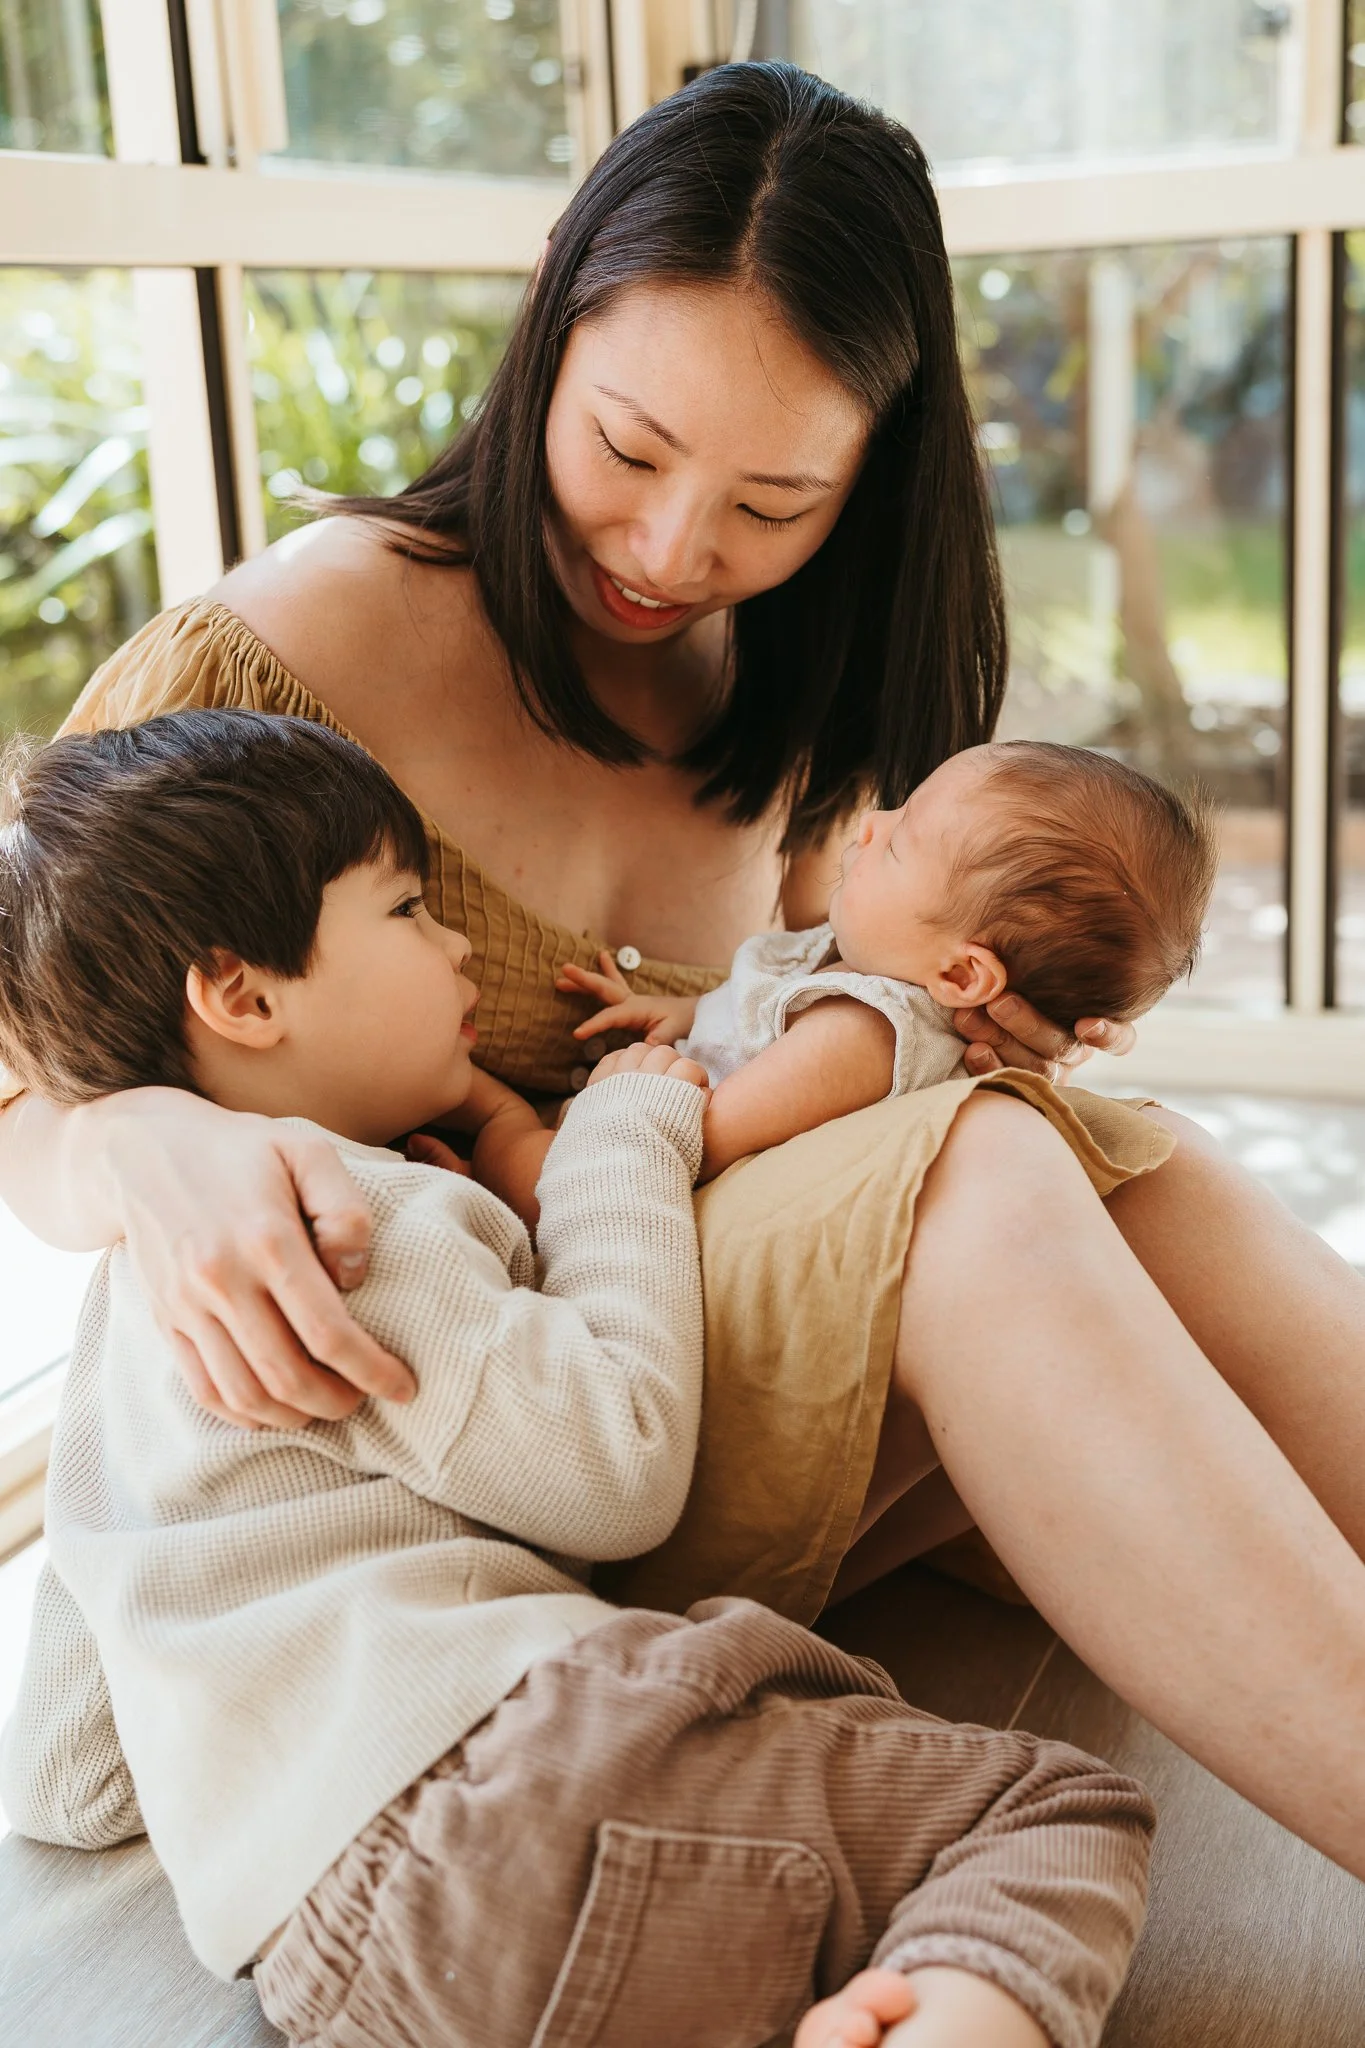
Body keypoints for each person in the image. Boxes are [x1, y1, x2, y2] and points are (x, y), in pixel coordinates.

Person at [2, 62, 1365, 1875]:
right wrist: (137, 1147)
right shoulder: (278, 651)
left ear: (872, 473)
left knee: (1122, 1158)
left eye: (772, 499)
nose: (669, 551)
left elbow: (829, 1056)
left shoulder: (803, 696)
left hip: (637, 1366)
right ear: (555, 305)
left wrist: (993, 1012)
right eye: (630, 451)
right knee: (987, 1175)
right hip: (450, 1450)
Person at [0, 712, 1155, 2048]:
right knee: (1050, 1814)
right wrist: (622, 1139)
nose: (450, 946)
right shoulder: (354, 1216)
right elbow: (611, 1471)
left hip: (326, 1960)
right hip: (519, 1767)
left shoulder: (124, 1324)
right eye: (408, 907)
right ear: (245, 998)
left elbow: (65, 1783)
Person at [550, 742, 1218, 1191]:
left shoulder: (861, 1035)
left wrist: (522, 1135)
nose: (871, 821)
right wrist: (682, 1015)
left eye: (898, 843)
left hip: (640, 1179)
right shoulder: (874, 961)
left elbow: (695, 1145)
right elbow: (760, 1008)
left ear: (959, 977)